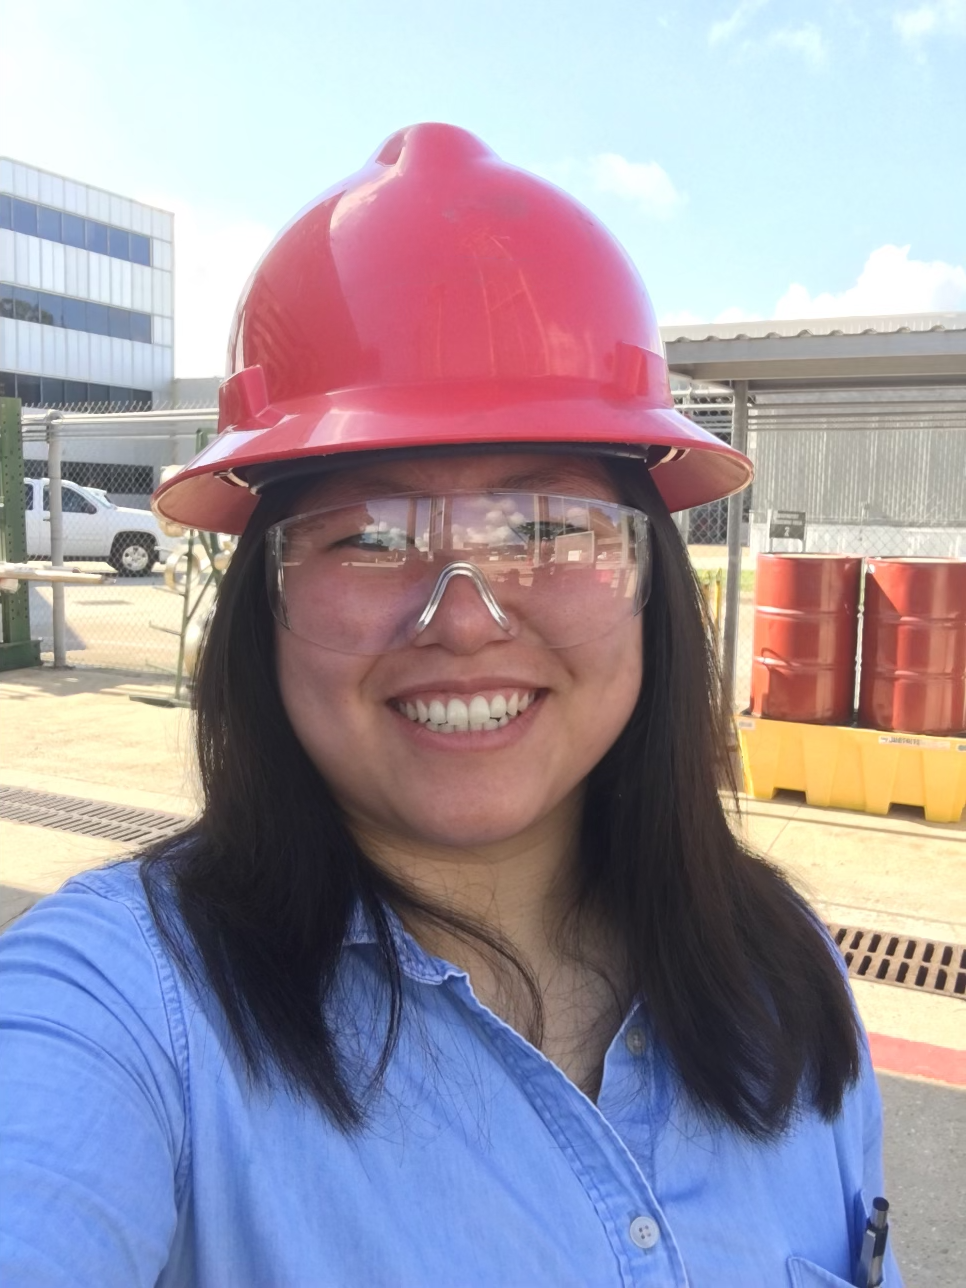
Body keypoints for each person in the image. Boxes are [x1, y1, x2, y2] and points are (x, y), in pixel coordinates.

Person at [0, 123, 901, 1287]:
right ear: (262, 598)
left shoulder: (788, 973)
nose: (465, 617)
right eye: (368, 536)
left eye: (547, 527)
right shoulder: (129, 1011)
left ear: (655, 589)